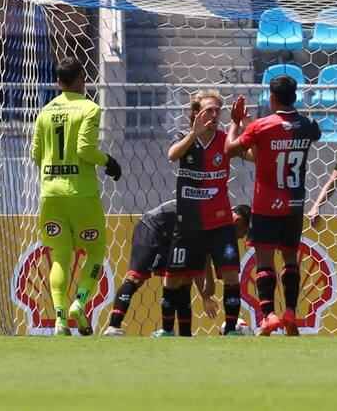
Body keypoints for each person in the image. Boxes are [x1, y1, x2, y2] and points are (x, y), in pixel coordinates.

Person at [32, 57, 122, 336]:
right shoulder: (90, 108)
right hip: (81, 194)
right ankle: (79, 303)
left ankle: (60, 320)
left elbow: (36, 155)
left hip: (50, 194)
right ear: (82, 79)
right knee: (94, 252)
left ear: (58, 82)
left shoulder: (45, 112)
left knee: (59, 257)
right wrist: (108, 161)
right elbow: (85, 149)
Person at [225, 75, 321, 337]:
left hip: (266, 205)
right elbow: (304, 133)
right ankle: (290, 312)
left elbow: (231, 149)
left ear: (271, 97)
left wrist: (236, 123)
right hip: (295, 204)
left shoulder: (260, 127)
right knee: (291, 257)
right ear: (296, 95)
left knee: (264, 261)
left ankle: (269, 316)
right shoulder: (309, 125)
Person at [160, 90, 244, 337]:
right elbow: (172, 155)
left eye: (218, 110)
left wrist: (242, 125)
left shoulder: (225, 140)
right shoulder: (183, 137)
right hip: (189, 223)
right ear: (196, 113)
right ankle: (166, 330)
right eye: (209, 110)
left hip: (220, 222)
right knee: (173, 279)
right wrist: (194, 134)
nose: (215, 114)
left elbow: (253, 155)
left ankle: (230, 329)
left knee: (231, 273)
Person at [103, 201, 251, 337]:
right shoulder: (214, 220)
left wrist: (207, 290)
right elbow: (200, 262)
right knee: (136, 278)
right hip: (153, 227)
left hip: (175, 236)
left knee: (184, 277)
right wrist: (205, 296)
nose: (241, 238)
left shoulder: (217, 225)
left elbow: (202, 257)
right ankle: (113, 326)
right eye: (243, 233)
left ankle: (185, 335)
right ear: (238, 221)